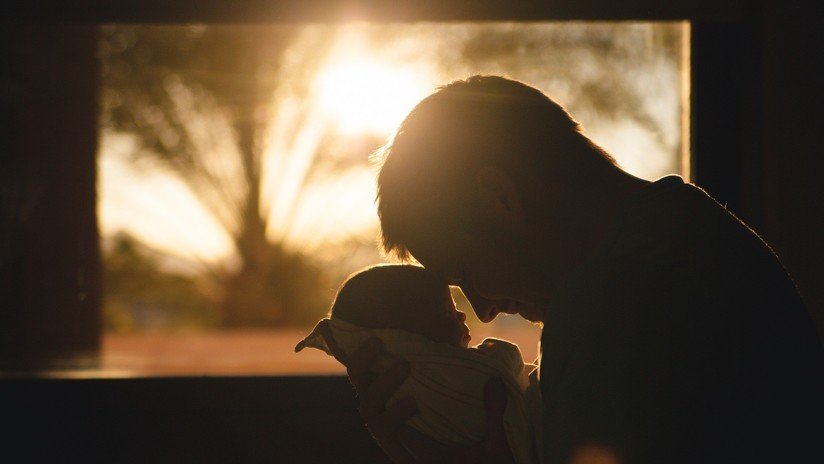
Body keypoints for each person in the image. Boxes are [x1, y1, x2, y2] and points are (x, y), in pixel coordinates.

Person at [328, 75, 824, 463]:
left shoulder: (608, 305)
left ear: (499, 197)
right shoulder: (691, 228)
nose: (480, 311)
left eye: (466, 272)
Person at [295, 264, 541, 463]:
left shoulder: (399, 399)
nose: (470, 313)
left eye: (469, 273)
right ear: (407, 340)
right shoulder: (440, 377)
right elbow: (505, 362)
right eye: (447, 311)